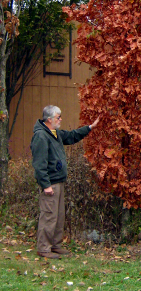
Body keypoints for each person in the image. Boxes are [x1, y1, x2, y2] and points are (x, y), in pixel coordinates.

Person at [31, 105, 100, 259]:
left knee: (58, 216)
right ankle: (44, 248)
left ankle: (55, 245)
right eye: (58, 117)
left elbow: (71, 136)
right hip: (50, 183)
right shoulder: (41, 136)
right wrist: (46, 185)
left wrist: (89, 127)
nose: (61, 119)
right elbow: (39, 164)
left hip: (59, 181)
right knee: (49, 215)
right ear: (49, 119)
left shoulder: (55, 133)